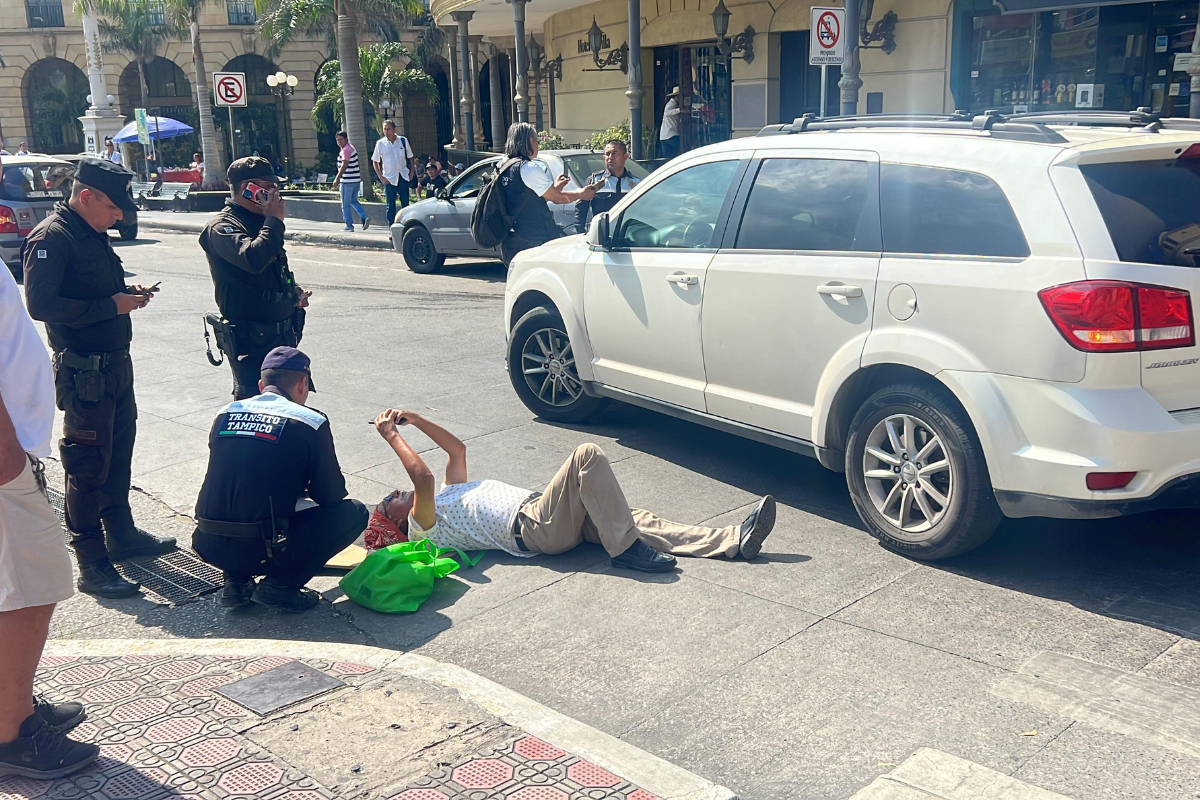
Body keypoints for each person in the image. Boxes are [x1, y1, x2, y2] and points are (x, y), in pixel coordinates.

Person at [23, 160, 176, 600]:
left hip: (114, 366)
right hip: (85, 371)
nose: (120, 216)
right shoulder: (52, 237)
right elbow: (42, 304)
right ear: (86, 196)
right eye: (113, 207)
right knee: (87, 468)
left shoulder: (90, 232)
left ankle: (122, 535)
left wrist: (128, 294)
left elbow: (95, 288)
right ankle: (91, 564)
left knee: (119, 454)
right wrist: (111, 306)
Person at [369, 410, 776, 570]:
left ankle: (733, 541)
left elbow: (456, 449)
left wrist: (416, 420)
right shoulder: (427, 527)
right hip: (535, 527)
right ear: (399, 520)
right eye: (391, 499)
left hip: (548, 514)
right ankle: (626, 553)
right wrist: (391, 436)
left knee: (635, 520)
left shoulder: (446, 494)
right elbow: (420, 477)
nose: (395, 491)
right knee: (586, 455)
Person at [0, 262, 98, 779]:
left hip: (10, 454)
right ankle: (12, 735)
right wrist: (9, 459)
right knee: (32, 589)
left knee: (15, 588)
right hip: (3, 463)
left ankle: (11, 705)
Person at [194, 347, 368, 612]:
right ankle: (281, 587)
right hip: (265, 547)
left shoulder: (225, 412)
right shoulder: (310, 421)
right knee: (353, 513)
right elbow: (330, 495)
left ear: (262, 385)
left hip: (208, 542)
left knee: (244, 504)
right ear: (302, 383)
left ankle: (236, 583)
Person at [199, 156, 311, 400]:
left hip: (282, 337)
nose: (275, 192)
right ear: (247, 189)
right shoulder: (222, 227)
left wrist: (291, 293)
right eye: (267, 186)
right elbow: (253, 259)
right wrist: (273, 220)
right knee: (257, 408)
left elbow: (273, 269)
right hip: (252, 344)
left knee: (289, 407)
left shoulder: (262, 222)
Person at [494, 122, 595, 267]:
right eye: (536, 140)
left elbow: (524, 198)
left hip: (511, 238)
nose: (538, 145)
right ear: (530, 141)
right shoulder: (528, 168)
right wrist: (582, 194)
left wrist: (554, 188)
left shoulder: (504, 165)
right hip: (533, 239)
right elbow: (557, 198)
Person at [574, 139, 640, 233]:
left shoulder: (636, 183)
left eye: (615, 153)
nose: (610, 157)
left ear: (625, 156)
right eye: (607, 154)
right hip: (603, 235)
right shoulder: (594, 181)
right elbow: (581, 210)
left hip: (628, 235)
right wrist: (581, 232)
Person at [371, 120, 414, 224]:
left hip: (403, 176)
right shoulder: (380, 143)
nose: (386, 131)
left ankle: (406, 224)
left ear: (394, 129)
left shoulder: (403, 141)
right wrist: (381, 177)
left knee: (405, 203)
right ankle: (392, 227)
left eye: (388, 129)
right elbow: (375, 161)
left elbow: (410, 157)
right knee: (390, 205)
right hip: (389, 178)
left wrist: (412, 172)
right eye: (384, 129)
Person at [331, 131, 370, 232]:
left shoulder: (346, 150)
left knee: (345, 204)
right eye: (337, 140)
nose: (339, 142)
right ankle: (364, 217)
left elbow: (344, 164)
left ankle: (349, 225)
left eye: (341, 139)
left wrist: (337, 178)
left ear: (346, 139)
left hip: (347, 181)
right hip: (356, 180)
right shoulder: (351, 148)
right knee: (353, 200)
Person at [659, 87, 682, 159]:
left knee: (667, 158)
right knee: (681, 150)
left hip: (665, 135)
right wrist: (680, 110)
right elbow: (667, 113)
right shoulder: (671, 104)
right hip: (671, 134)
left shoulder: (673, 104)